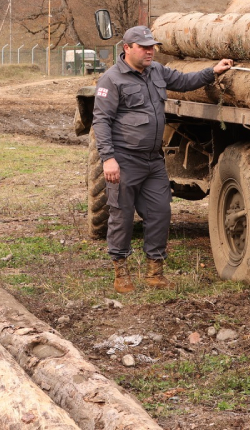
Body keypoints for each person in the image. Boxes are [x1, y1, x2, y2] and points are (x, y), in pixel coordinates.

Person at [93, 25, 232, 293]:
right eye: (144, 47)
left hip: (153, 161)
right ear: (127, 48)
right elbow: (101, 121)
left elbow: (185, 82)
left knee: (160, 213)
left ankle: (154, 272)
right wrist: (108, 158)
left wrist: (213, 71)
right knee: (122, 216)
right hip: (124, 160)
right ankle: (121, 274)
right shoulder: (111, 80)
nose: (150, 52)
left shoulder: (157, 71)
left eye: (152, 47)